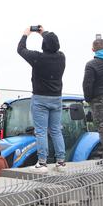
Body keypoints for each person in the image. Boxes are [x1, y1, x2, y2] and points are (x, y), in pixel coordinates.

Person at [17, 26, 66, 172]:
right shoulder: (61, 57)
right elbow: (52, 42)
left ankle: (42, 163)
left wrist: (26, 34)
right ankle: (61, 162)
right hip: (57, 98)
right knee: (56, 130)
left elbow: (20, 49)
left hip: (40, 98)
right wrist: (43, 33)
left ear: (44, 44)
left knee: (41, 131)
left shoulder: (38, 57)